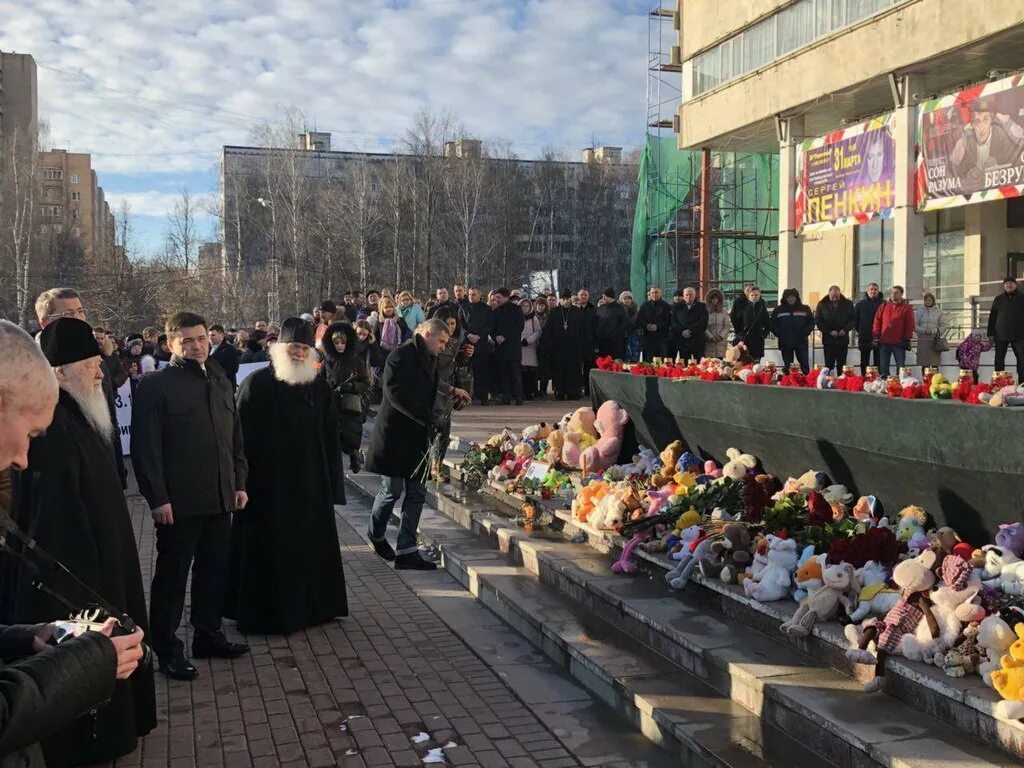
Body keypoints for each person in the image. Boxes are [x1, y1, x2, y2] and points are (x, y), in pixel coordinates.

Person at [9, 318, 156, 766]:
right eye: (90, 364)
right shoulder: (52, 429)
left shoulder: (82, 413)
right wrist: (84, 591)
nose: (99, 372)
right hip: (81, 580)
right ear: (59, 371)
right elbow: (56, 521)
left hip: (107, 562)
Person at [131, 312, 250, 681]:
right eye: (187, 340)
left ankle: (208, 635)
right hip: (178, 503)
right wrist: (157, 498)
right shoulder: (156, 385)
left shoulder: (218, 377)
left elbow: (234, 437)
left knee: (213, 571)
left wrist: (239, 483)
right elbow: (145, 448)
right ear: (171, 344)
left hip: (220, 496)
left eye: (201, 338)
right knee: (172, 577)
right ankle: (166, 649)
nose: (196, 345)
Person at [227, 319, 348, 635]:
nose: (298, 353)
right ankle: (268, 615)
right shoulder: (255, 385)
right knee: (270, 552)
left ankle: (315, 609)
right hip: (268, 486)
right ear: (279, 348)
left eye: (304, 348)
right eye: (293, 347)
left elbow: (329, 438)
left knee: (311, 548)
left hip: (311, 485)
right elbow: (237, 441)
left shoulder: (318, 386)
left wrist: (333, 486)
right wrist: (240, 483)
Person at [365, 320, 471, 570]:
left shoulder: (431, 359)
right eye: (441, 341)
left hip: (419, 435)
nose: (443, 347)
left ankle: (406, 551)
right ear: (426, 334)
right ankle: (376, 532)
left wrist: (444, 406)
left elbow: (432, 390)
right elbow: (394, 392)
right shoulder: (400, 355)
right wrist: (424, 415)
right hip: (395, 434)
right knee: (391, 489)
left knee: (417, 493)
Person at [35, 288, 127, 490]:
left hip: (104, 473)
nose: (78, 319)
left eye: (80, 311)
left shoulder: (94, 356)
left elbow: (108, 419)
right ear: (44, 322)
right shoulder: (31, 364)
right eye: (68, 314)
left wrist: (118, 473)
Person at [321, 321, 370, 473]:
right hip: (332, 401)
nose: (340, 346)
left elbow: (365, 383)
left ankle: (353, 454)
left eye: (343, 342)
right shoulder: (327, 361)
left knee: (351, 431)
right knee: (332, 433)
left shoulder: (356, 360)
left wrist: (352, 387)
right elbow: (321, 381)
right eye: (336, 343)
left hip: (351, 401)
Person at [950, 99, 1024, 192]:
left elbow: (1021, 142)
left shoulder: (1001, 136)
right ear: (972, 124)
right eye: (977, 122)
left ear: (992, 121)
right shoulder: (966, 140)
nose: (981, 128)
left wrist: (1006, 122)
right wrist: (966, 180)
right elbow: (950, 170)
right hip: (976, 195)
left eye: (985, 120)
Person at [540, 290, 586, 400]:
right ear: (560, 299)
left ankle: (573, 392)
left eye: (567, 299)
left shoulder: (576, 311)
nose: (565, 301)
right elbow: (548, 329)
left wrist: (582, 344)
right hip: (558, 347)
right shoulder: (555, 312)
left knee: (573, 370)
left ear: (570, 299)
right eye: (563, 299)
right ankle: (559, 391)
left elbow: (582, 330)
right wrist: (550, 343)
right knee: (559, 370)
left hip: (573, 347)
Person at [458, 288, 493, 405]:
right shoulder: (463, 308)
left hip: (481, 344)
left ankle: (483, 396)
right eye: (469, 294)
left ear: (479, 295)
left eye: (474, 294)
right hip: (467, 343)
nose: (471, 296)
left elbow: (490, 325)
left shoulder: (487, 309)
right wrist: (468, 335)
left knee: (482, 371)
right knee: (465, 371)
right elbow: (460, 325)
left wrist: (479, 335)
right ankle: (466, 397)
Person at [491, 287, 525, 405]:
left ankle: (519, 397)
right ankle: (506, 397)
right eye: (496, 298)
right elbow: (492, 328)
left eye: (499, 298)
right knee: (503, 374)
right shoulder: (496, 312)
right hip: (500, 347)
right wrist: (496, 336)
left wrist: (506, 336)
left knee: (515, 374)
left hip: (513, 346)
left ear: (506, 297)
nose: (497, 300)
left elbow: (519, 326)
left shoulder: (516, 309)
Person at [872, 286, 915, 377]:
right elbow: (877, 321)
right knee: (883, 368)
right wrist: (876, 336)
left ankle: (900, 384)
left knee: (901, 368)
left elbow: (910, 324)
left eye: (896, 293)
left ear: (901, 294)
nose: (893, 294)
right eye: (892, 292)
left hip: (899, 342)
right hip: (884, 342)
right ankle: (884, 385)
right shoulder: (884, 306)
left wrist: (907, 338)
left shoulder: (906, 308)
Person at [987, 276, 1024, 381]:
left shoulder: (1022, 298)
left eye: (1011, 283)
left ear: (1015, 285)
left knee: (1022, 360)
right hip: (1001, 335)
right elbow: (992, 317)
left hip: (1020, 335)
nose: (1009, 285)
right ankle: (998, 382)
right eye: (1006, 283)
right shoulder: (998, 299)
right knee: (999, 360)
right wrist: (990, 334)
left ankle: (1022, 384)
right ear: (1004, 286)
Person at [771, 288, 815, 374]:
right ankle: (788, 382)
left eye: (793, 297)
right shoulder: (778, 310)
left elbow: (811, 322)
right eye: (788, 297)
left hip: (801, 341)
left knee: (804, 364)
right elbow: (772, 324)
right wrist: (779, 333)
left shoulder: (805, 308)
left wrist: (805, 333)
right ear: (785, 298)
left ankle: (807, 381)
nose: (791, 299)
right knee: (787, 365)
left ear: (796, 298)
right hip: (785, 341)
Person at [815, 286, 856, 370]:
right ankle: (829, 382)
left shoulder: (848, 304)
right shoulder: (822, 304)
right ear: (829, 293)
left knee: (842, 365)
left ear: (840, 294)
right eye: (833, 296)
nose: (835, 299)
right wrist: (829, 331)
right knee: (829, 365)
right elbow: (818, 321)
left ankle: (841, 382)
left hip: (842, 339)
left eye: (837, 296)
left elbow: (853, 319)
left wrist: (845, 330)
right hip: (828, 339)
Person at [854, 283, 885, 375]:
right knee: (864, 362)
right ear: (867, 291)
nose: (873, 291)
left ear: (878, 291)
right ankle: (864, 379)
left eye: (875, 289)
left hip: (880, 337)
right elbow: (856, 321)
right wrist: (861, 331)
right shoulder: (860, 305)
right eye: (871, 289)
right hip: (865, 337)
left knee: (879, 361)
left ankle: (879, 380)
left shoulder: (884, 304)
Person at [671, 286, 708, 362]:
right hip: (682, 340)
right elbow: (674, 322)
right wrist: (682, 331)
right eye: (686, 295)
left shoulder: (701, 306)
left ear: (694, 296)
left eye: (690, 295)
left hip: (697, 340)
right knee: (684, 363)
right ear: (683, 296)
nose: (688, 297)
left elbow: (703, 321)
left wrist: (690, 330)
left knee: (700, 363)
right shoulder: (677, 307)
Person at [636, 285, 673, 360]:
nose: (654, 294)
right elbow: (639, 320)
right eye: (652, 293)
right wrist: (646, 326)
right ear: (649, 293)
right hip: (648, 338)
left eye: (656, 292)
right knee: (649, 361)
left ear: (660, 293)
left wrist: (657, 327)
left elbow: (668, 321)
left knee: (662, 361)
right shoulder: (644, 306)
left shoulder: (667, 306)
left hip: (662, 338)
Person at [915, 292, 947, 372]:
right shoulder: (919, 311)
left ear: (933, 301)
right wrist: (924, 331)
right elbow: (914, 325)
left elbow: (944, 325)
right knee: (924, 364)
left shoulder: (939, 312)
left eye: (929, 300)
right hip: (923, 340)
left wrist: (933, 331)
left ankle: (935, 382)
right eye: (926, 300)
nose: (927, 302)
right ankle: (925, 382)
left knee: (934, 364)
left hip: (935, 340)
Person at [594, 289, 629, 360]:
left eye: (605, 296)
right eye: (602, 296)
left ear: (611, 297)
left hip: (615, 343)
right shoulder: (600, 308)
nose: (603, 298)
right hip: (602, 342)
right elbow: (596, 322)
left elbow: (623, 323)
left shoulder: (619, 308)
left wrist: (614, 333)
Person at [737, 286, 770, 361]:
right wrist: (740, 336)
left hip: (757, 340)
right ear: (748, 296)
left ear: (759, 295)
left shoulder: (762, 307)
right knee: (744, 364)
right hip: (745, 340)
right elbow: (738, 323)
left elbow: (768, 324)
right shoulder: (743, 308)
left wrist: (762, 335)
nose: (754, 297)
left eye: (756, 295)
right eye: (752, 295)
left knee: (756, 365)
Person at [519, 299, 543, 400]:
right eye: (523, 306)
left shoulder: (534, 319)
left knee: (531, 371)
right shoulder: (517, 317)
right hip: (519, 347)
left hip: (530, 347)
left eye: (527, 306)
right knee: (522, 371)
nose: (525, 308)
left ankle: (531, 391)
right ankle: (523, 391)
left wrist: (528, 340)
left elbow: (538, 332)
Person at [576, 289, 597, 395]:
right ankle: (578, 388)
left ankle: (588, 389)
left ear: (588, 297)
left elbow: (596, 327)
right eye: (581, 295)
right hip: (576, 343)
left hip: (589, 343)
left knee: (589, 367)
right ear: (578, 296)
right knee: (577, 367)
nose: (583, 297)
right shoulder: (574, 310)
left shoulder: (593, 310)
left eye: (585, 295)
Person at [209, 324, 242, 390]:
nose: (210, 337)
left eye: (213, 335)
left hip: (225, 387)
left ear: (222, 335)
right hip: (211, 387)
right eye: (209, 335)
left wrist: (216, 376)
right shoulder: (208, 349)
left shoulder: (230, 349)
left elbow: (234, 368)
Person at [704, 289, 731, 359]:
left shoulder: (724, 312)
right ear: (709, 300)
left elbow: (727, 326)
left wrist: (720, 336)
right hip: (708, 342)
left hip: (721, 342)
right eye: (712, 298)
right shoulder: (705, 311)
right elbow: (703, 326)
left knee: (720, 363)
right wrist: (710, 336)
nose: (714, 300)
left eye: (716, 299)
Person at [618, 291, 641, 363]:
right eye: (625, 298)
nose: (627, 300)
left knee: (634, 352)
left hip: (634, 334)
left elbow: (639, 321)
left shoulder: (636, 308)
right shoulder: (618, 309)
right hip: (622, 334)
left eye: (629, 298)